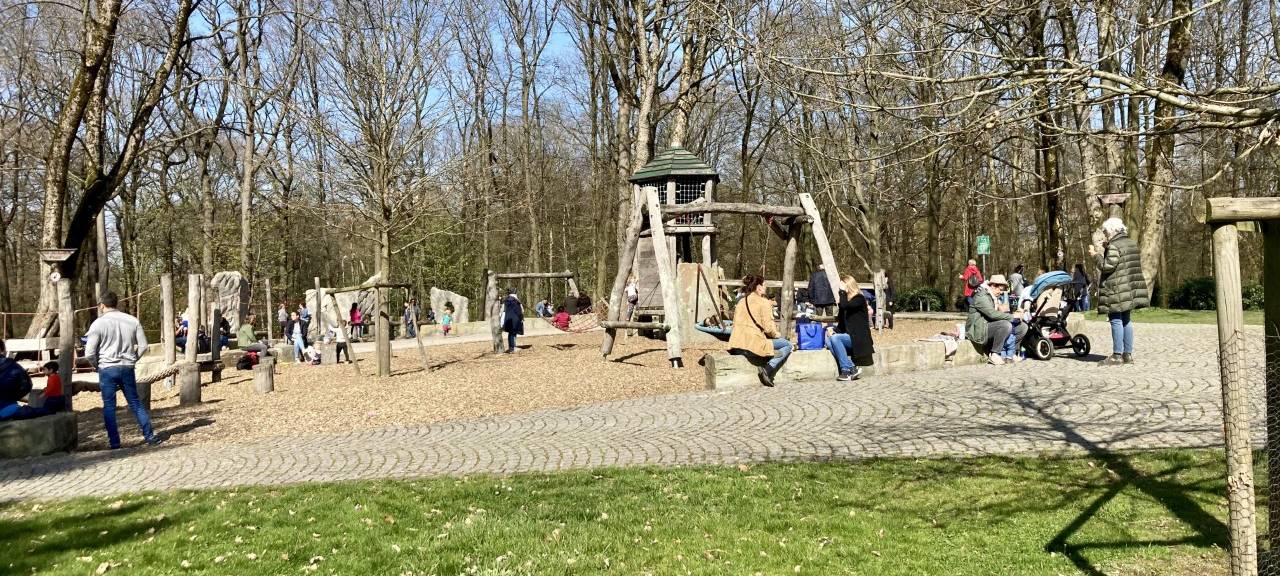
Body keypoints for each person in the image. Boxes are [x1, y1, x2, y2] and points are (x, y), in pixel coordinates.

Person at [84, 291, 160, 448]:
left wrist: (96, 365)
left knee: (109, 406)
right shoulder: (132, 320)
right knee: (135, 403)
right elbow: (144, 346)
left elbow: (89, 352)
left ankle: (115, 442)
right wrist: (132, 359)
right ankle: (150, 436)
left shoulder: (98, 324)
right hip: (127, 367)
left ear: (102, 305)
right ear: (116, 303)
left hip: (107, 367)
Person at [1090, 217, 1149, 365]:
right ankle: (1127, 355)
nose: (1105, 234)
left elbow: (1107, 266)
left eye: (1106, 232)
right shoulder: (1131, 243)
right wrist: (1107, 247)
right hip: (1129, 288)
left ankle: (1117, 355)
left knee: (1116, 319)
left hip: (1116, 288)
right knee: (1126, 320)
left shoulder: (1114, 246)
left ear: (1112, 230)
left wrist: (1095, 255)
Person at [728, 275, 792, 387]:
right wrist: (777, 334)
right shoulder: (764, 302)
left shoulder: (741, 302)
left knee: (772, 344)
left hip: (736, 345)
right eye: (764, 285)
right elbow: (768, 328)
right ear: (758, 287)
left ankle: (769, 359)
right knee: (787, 345)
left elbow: (734, 324)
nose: (766, 288)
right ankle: (768, 370)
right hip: (752, 346)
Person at [965, 274, 1026, 366]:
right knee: (1005, 325)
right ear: (993, 286)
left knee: (1022, 327)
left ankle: (1010, 353)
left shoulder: (993, 297)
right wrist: (1012, 317)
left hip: (988, 325)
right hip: (978, 330)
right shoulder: (982, 296)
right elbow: (992, 314)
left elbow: (998, 313)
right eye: (1000, 290)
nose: (1001, 292)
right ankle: (995, 354)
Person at [827, 275, 875, 381]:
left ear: (848, 286)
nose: (840, 289)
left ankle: (845, 370)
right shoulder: (845, 302)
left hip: (859, 339)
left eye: (842, 287)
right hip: (849, 337)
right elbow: (842, 323)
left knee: (836, 339)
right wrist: (833, 329)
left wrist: (842, 292)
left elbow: (845, 306)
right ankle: (852, 368)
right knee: (829, 339)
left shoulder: (859, 299)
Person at [501, 289, 524, 353]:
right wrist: (521, 317)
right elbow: (518, 311)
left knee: (511, 333)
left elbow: (503, 310)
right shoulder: (515, 301)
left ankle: (512, 347)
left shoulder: (506, 300)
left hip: (508, 318)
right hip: (515, 319)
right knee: (513, 333)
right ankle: (512, 348)